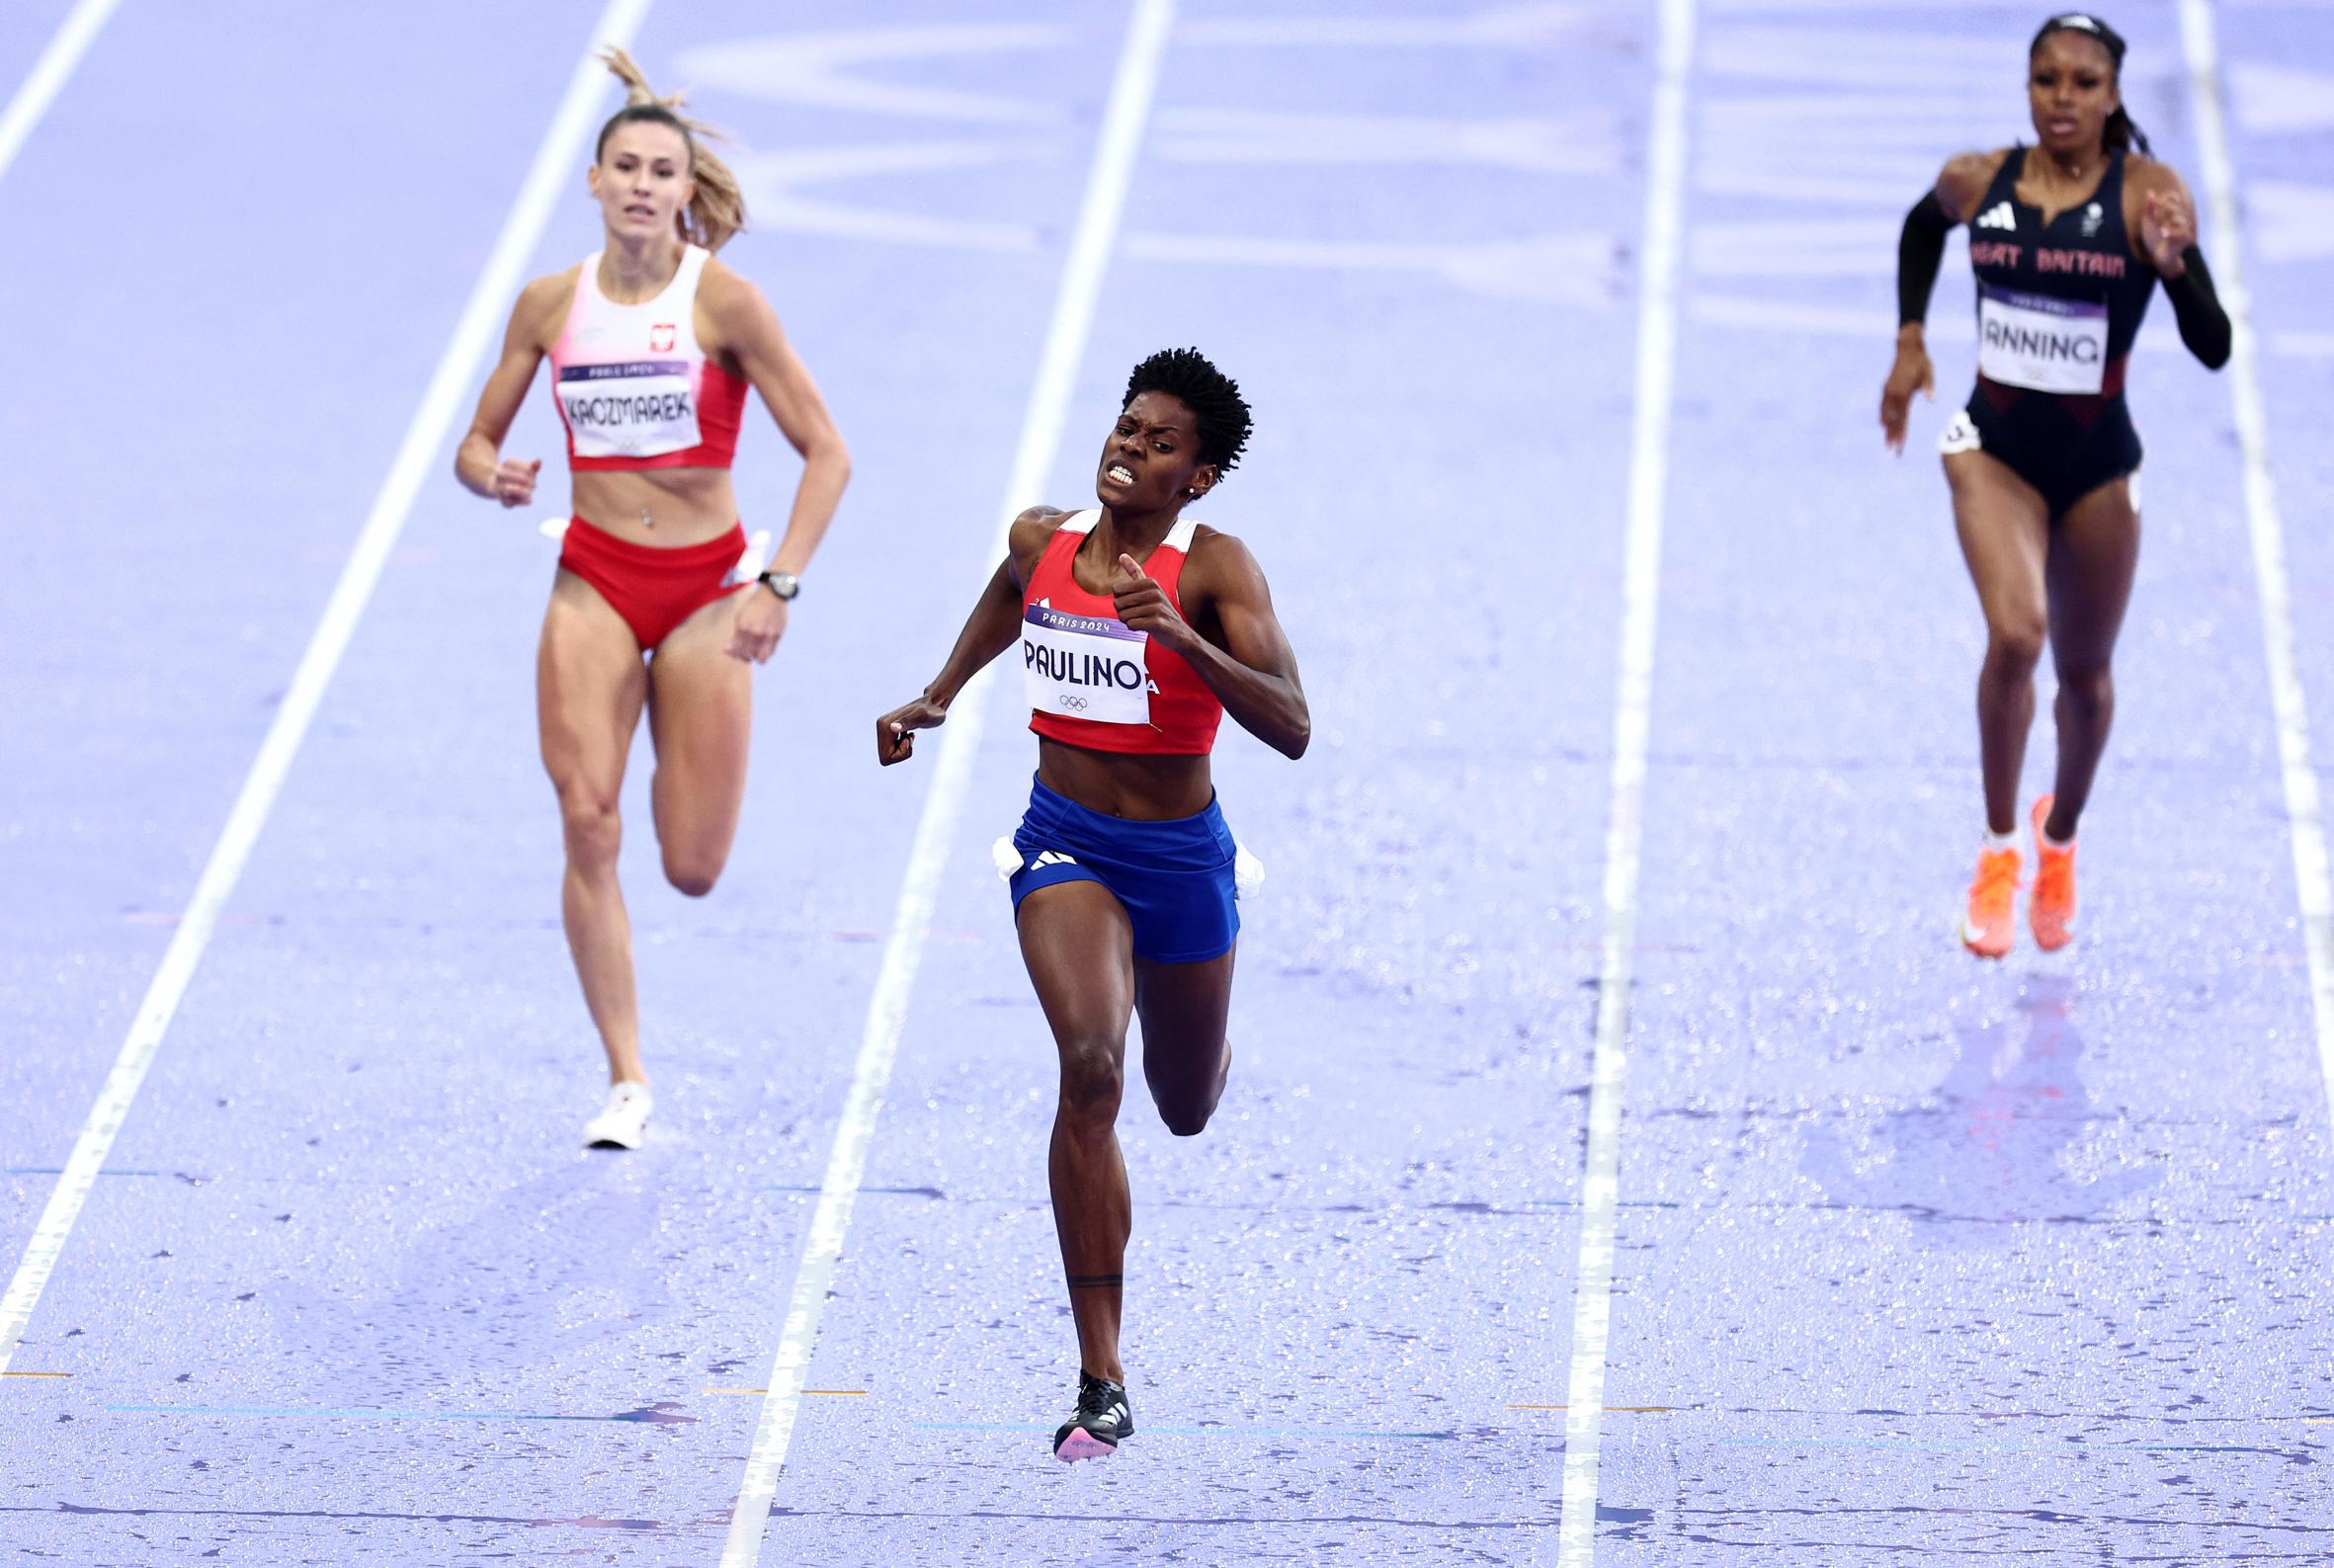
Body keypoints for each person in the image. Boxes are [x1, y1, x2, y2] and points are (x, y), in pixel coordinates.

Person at [876, 349, 1307, 1461]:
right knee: (1089, 1065)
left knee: (1183, 1104)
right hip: (1066, 844)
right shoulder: (1042, 539)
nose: (1131, 448)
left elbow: (1294, 725)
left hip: (1181, 858)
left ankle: (1205, 1026)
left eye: (1162, 443)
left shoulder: (1216, 571)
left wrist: (1180, 636)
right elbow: (1005, 602)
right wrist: (934, 693)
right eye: (1126, 427)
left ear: (1198, 478)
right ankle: (1100, 1374)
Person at [455, 50, 849, 1145]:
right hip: (592, 579)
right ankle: (626, 1077)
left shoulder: (723, 302)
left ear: (684, 191)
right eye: (621, 166)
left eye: (659, 170)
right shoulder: (548, 305)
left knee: (690, 867)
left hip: (708, 594)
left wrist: (778, 585)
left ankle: (684, 734)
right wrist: (491, 472)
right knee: (587, 822)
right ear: (592, 181)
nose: (638, 184)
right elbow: (475, 443)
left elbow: (827, 454)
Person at [1882, 11, 2229, 958]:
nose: (2062, 98)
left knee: (2085, 679)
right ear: (2028, 88)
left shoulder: (2148, 196)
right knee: (2016, 633)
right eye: (2046, 80)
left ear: (2113, 94)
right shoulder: (1977, 179)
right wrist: (1912, 340)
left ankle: (2058, 837)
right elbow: (1923, 226)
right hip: (1991, 449)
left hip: (2097, 467)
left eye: (2083, 82)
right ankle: (1998, 851)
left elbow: (2215, 347)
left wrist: (2175, 268)